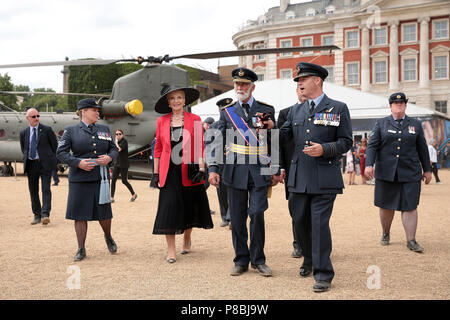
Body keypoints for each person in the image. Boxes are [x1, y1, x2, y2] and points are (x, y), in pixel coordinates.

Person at [279, 62, 353, 292]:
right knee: (299, 222)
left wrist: (325, 149)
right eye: (298, 80)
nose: (299, 83)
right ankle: (309, 260)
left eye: (303, 79)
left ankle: (323, 273)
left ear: (317, 81)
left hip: (324, 178)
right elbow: (284, 135)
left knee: (319, 225)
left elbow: (346, 142)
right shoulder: (295, 110)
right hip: (299, 177)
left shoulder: (338, 108)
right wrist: (270, 126)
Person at [207, 68, 279, 277]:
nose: (240, 88)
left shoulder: (266, 109)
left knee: (257, 214)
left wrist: (274, 170)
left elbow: (272, 141)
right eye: (237, 84)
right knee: (237, 219)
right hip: (234, 169)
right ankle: (241, 260)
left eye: (244, 84)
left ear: (252, 87)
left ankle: (258, 260)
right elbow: (216, 141)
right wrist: (213, 168)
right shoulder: (227, 111)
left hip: (259, 170)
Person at [150, 86, 213, 264]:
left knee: (189, 206)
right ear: (168, 102)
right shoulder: (161, 121)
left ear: (185, 101)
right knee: (168, 208)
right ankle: (171, 250)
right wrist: (155, 174)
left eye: (179, 97)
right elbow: (158, 149)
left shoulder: (195, 119)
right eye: (172, 98)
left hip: (189, 169)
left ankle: (187, 238)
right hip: (168, 171)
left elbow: (200, 146)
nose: (176, 101)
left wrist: (201, 170)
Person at [365, 92, 432, 253]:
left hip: (410, 173)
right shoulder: (381, 123)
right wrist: (369, 165)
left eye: (402, 103)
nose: (399, 105)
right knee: (386, 206)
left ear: (405, 106)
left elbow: (422, 148)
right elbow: (372, 145)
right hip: (386, 172)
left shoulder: (415, 124)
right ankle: (386, 233)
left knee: (410, 207)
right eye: (396, 103)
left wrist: (428, 169)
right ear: (390, 106)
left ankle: (411, 240)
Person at [57, 98, 119, 261]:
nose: (98, 112)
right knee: (79, 215)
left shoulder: (104, 129)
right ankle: (81, 248)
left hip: (101, 178)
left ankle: (108, 236)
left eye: (98, 110)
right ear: (83, 112)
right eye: (94, 110)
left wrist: (109, 157)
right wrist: (77, 162)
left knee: (104, 212)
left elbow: (114, 149)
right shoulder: (71, 131)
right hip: (80, 179)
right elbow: (61, 153)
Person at [278, 89, 307, 259]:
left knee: (314, 209)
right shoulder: (286, 113)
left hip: (313, 168)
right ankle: (298, 243)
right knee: (296, 209)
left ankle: (313, 243)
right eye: (300, 89)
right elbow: (279, 142)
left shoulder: (321, 112)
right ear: (296, 92)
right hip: (292, 169)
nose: (303, 93)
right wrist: (280, 166)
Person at [20, 108, 58, 225]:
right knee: (33, 190)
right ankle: (36, 215)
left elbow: (54, 145)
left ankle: (45, 214)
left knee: (46, 189)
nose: (36, 118)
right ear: (28, 118)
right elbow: (24, 148)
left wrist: (50, 159)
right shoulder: (24, 133)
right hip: (31, 164)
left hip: (45, 164)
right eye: (33, 117)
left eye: (38, 116)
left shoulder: (46, 130)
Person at [212, 97, 233, 228]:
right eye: (222, 109)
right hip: (221, 163)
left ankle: (232, 216)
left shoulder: (237, 124)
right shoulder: (214, 126)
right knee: (222, 192)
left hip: (235, 162)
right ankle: (224, 217)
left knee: (234, 189)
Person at [110, 129, 137, 203]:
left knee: (124, 181)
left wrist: (115, 142)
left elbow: (118, 149)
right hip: (117, 164)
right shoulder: (117, 142)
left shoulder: (124, 141)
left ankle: (134, 194)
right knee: (113, 181)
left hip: (124, 164)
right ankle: (112, 197)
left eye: (119, 134)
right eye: (116, 134)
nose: (118, 135)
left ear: (122, 134)